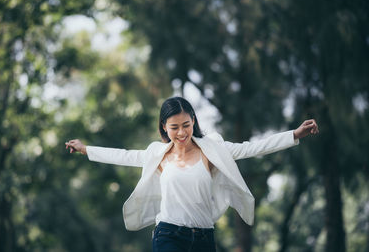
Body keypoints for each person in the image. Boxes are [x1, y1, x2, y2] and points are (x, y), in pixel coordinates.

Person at [65, 96, 319, 252]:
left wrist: (294, 135)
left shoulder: (212, 150)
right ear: (164, 127)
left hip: (203, 237)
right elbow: (124, 155)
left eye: (186, 125)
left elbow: (251, 148)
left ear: (194, 121)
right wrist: (86, 149)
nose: (181, 132)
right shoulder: (159, 154)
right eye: (174, 127)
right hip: (168, 235)